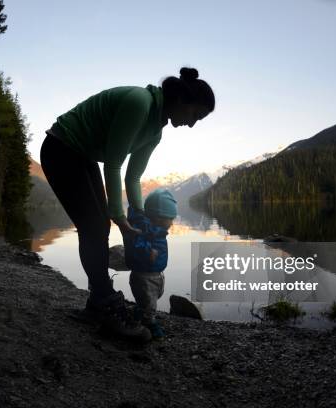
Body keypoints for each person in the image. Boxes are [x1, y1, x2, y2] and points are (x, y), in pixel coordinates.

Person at [40, 67, 215, 340]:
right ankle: (104, 302)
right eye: (195, 115)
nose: (192, 124)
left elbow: (134, 178)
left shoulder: (155, 132)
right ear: (182, 100)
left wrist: (139, 217)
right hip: (61, 148)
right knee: (95, 227)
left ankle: (97, 302)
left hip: (81, 153)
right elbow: (114, 165)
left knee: (98, 228)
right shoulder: (139, 102)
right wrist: (120, 217)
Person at [124, 189, 177, 339]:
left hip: (155, 273)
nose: (172, 223)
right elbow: (136, 242)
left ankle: (140, 312)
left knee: (155, 296)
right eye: (170, 219)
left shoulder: (157, 229)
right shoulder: (144, 228)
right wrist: (148, 252)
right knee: (149, 302)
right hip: (144, 275)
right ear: (158, 217)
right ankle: (149, 324)